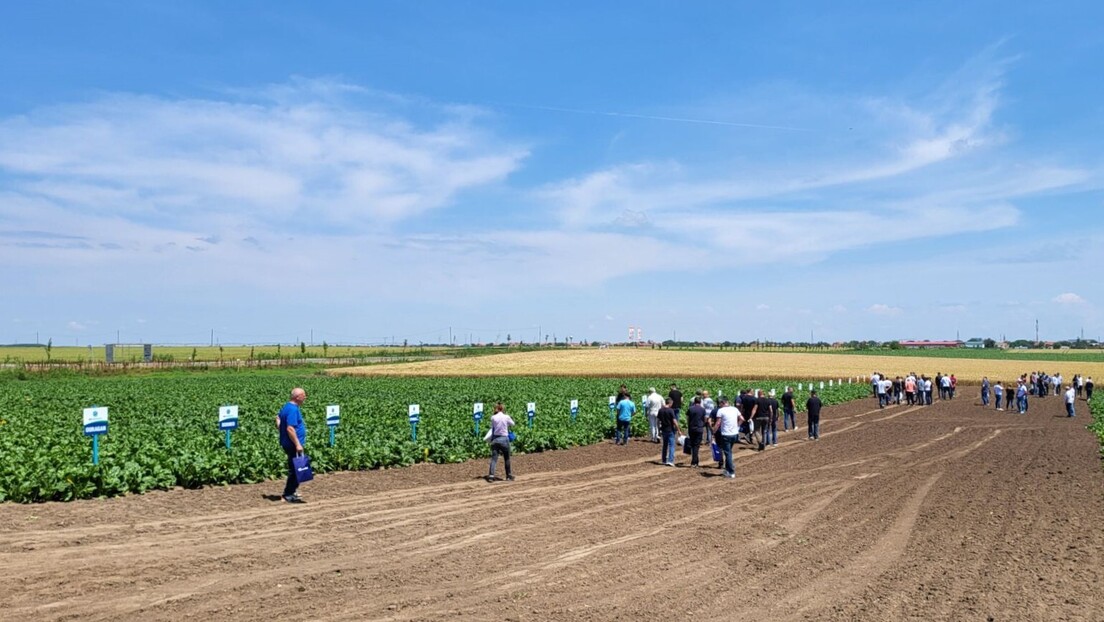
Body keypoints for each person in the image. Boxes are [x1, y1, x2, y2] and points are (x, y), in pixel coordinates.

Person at [275, 387, 308, 503]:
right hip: (292, 444)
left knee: (297, 467)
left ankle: (292, 491)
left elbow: (278, 418)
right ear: (297, 397)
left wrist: (280, 429)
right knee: (295, 469)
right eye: (304, 395)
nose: (305, 397)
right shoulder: (293, 409)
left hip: (287, 442)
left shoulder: (287, 407)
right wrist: (298, 444)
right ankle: (288, 494)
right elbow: (290, 428)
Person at [711, 398, 742, 479]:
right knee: (729, 452)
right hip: (735, 434)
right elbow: (742, 419)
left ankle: (731, 472)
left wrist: (713, 432)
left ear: (722, 403)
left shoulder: (721, 411)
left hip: (726, 434)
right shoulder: (735, 409)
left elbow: (718, 423)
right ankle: (728, 469)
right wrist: (737, 426)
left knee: (728, 453)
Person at [486, 403, 515, 481]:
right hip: (504, 439)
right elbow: (513, 424)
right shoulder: (506, 417)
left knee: (494, 458)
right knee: (507, 458)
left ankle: (491, 476)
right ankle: (508, 476)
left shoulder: (493, 417)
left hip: (495, 439)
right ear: (502, 409)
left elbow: (492, 427)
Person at [658, 398, 682, 466]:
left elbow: (658, 421)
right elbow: (674, 421)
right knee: (671, 445)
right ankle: (670, 461)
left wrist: (658, 430)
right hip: (670, 430)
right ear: (670, 403)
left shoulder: (660, 410)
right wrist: (678, 430)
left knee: (664, 445)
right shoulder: (671, 410)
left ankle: (663, 460)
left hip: (663, 429)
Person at [685, 396, 708, 468]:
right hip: (699, 429)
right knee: (696, 445)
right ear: (700, 402)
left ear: (694, 402)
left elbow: (687, 419)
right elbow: (705, 419)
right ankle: (695, 462)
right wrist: (702, 424)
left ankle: (694, 462)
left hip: (691, 428)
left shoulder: (690, 409)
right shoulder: (703, 409)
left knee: (693, 445)